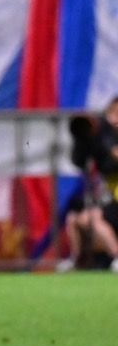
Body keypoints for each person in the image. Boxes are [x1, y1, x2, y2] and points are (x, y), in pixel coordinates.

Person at [59, 96, 118, 272]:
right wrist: (83, 140)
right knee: (74, 219)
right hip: (112, 195)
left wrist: (106, 141)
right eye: (112, 114)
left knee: (93, 218)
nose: (114, 119)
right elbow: (79, 161)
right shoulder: (101, 137)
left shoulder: (108, 138)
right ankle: (77, 261)